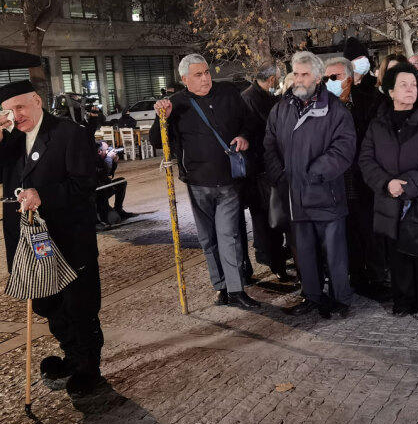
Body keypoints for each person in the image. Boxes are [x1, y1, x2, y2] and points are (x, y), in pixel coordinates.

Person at [0, 79, 104, 397]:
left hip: (67, 236)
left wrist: (43, 194)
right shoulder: (10, 139)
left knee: (79, 303)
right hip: (29, 240)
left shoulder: (68, 133)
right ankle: (72, 355)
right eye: (8, 111)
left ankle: (88, 367)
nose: (16, 115)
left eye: (20, 107)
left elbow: (85, 185)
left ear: (37, 100)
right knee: (46, 300)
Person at [150, 53, 259, 309]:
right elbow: (157, 141)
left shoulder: (228, 93)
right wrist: (161, 117)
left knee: (228, 235)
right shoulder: (176, 103)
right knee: (208, 239)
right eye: (198, 75)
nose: (205, 78)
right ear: (185, 79)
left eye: (207, 72)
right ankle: (221, 286)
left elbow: (249, 122)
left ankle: (236, 290)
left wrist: (244, 136)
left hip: (229, 180)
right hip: (198, 182)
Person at [265, 50, 356, 319]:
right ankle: (312, 297)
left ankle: (341, 299)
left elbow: (343, 150)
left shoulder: (336, 110)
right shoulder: (281, 108)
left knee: (335, 255)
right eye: (296, 74)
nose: (299, 79)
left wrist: (312, 174)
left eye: (305, 74)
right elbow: (269, 144)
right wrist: (280, 176)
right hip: (294, 196)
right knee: (304, 254)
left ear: (317, 77)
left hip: (325, 194)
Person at [360, 63, 418, 318]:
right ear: (389, 91)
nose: (410, 89)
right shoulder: (377, 124)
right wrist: (386, 183)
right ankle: (403, 301)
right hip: (390, 201)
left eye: (413, 84)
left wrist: (407, 186)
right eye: (403, 85)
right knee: (398, 255)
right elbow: (366, 161)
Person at [325, 56, 388, 298]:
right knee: (347, 234)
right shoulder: (321, 105)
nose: (329, 82)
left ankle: (377, 278)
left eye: (335, 77)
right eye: (326, 78)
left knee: (370, 232)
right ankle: (356, 277)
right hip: (337, 182)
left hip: (364, 179)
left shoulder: (370, 101)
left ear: (349, 79)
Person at [241, 65, 290, 281]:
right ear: (271, 80)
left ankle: (273, 259)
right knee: (269, 218)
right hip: (261, 169)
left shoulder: (249, 97)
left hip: (260, 169)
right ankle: (275, 261)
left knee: (267, 218)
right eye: (277, 80)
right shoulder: (256, 99)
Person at [95, 142, 135, 227]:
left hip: (104, 189)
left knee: (121, 182)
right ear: (99, 151)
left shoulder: (102, 158)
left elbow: (109, 173)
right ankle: (97, 219)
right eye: (107, 150)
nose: (109, 151)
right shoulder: (93, 160)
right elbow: (102, 175)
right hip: (95, 195)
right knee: (114, 219)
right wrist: (109, 158)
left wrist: (114, 162)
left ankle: (118, 208)